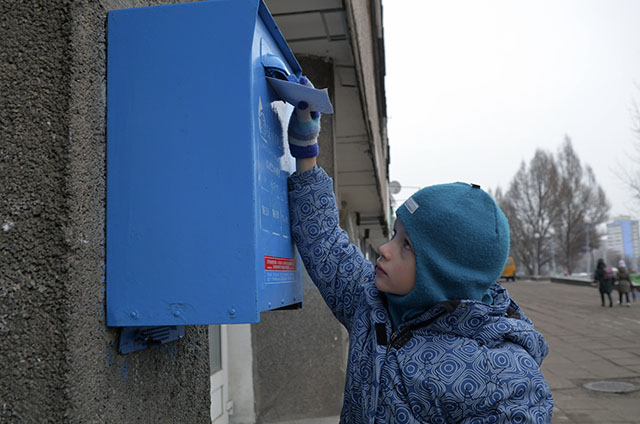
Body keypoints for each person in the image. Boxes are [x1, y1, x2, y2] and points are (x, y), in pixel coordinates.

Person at [286, 77, 553, 422]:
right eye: (394, 234)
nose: (384, 249)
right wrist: (306, 151)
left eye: (406, 245)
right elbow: (323, 240)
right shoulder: (368, 303)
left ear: (441, 273)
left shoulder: (505, 375)